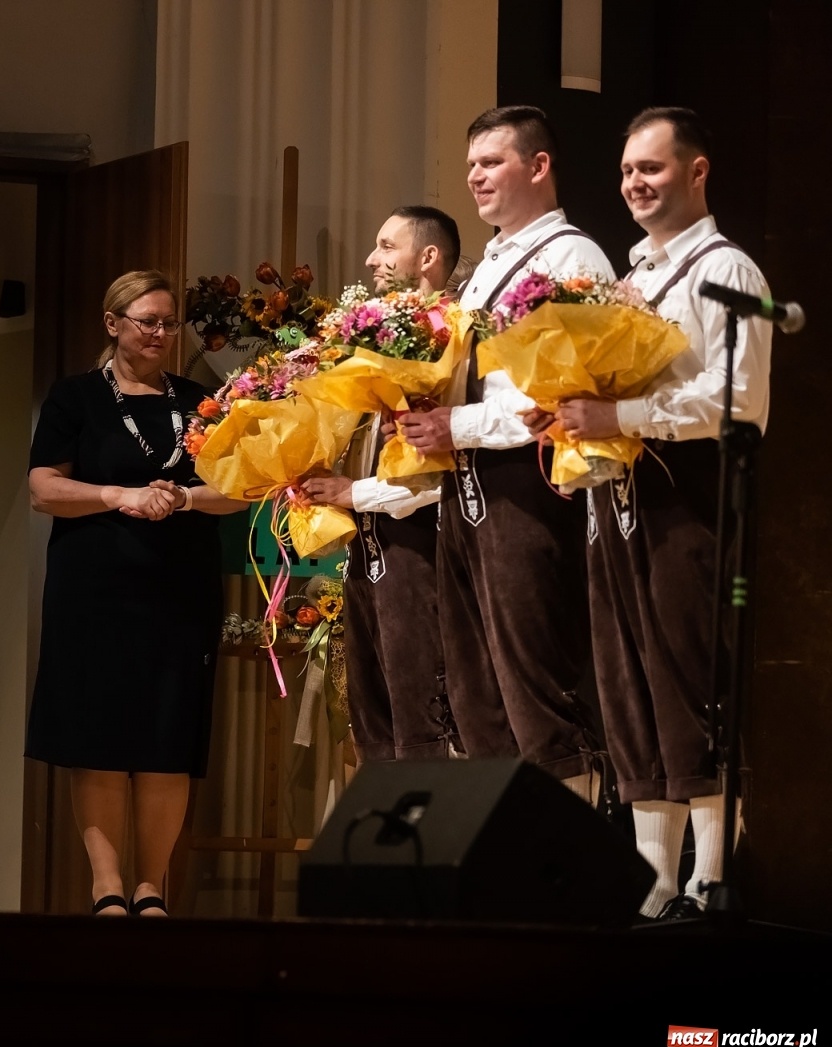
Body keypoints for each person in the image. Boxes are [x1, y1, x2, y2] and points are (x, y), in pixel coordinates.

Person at [549, 108, 771, 919]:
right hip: (617, 500)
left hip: (690, 502)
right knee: (628, 690)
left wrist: (623, 422)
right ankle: (652, 890)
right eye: (626, 173)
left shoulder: (728, 271)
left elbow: (741, 404)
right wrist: (577, 429)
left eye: (652, 168)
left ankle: (711, 884)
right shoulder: (629, 279)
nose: (635, 185)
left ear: (698, 171)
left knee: (688, 685)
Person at [396, 107, 615, 801]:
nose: (476, 178)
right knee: (474, 688)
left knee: (534, 682)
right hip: (467, 487)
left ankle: (567, 876)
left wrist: (454, 425)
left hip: (530, 484)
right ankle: (507, 870)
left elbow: (550, 396)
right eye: (470, 166)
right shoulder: (485, 265)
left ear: (539, 166)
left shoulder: (572, 257)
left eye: (491, 162)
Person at [26, 270, 245, 917]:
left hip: (179, 588)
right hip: (93, 591)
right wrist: (119, 495)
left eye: (168, 322)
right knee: (96, 735)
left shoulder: (202, 401)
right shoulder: (74, 400)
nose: (159, 333)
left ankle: (152, 886)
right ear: (112, 323)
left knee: (165, 738)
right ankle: (107, 886)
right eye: (146, 321)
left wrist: (181, 496)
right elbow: (43, 489)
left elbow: (240, 489)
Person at [302, 206, 460, 764]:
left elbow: (446, 471)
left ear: (428, 256)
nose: (372, 259)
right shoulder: (378, 340)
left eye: (386, 246)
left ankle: (435, 845)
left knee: (423, 722)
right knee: (374, 724)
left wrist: (354, 493)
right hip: (367, 554)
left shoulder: (449, 344)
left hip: (422, 551)